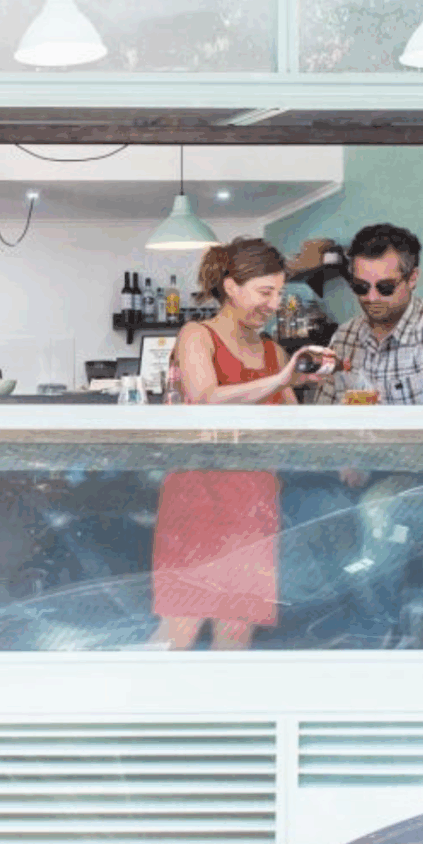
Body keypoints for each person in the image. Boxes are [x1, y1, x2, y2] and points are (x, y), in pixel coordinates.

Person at [151, 237, 337, 651]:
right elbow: (205, 398)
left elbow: (293, 428)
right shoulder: (196, 335)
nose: (274, 304)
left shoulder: (273, 351)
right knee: (179, 632)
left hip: (254, 501)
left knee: (235, 635)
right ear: (232, 287)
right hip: (198, 497)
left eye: (280, 294)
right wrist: (281, 380)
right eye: (265, 292)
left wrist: (321, 395)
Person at [312, 223, 423, 406]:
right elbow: (326, 414)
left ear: (412, 278)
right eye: (361, 287)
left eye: (385, 287)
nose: (372, 298)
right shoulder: (344, 337)